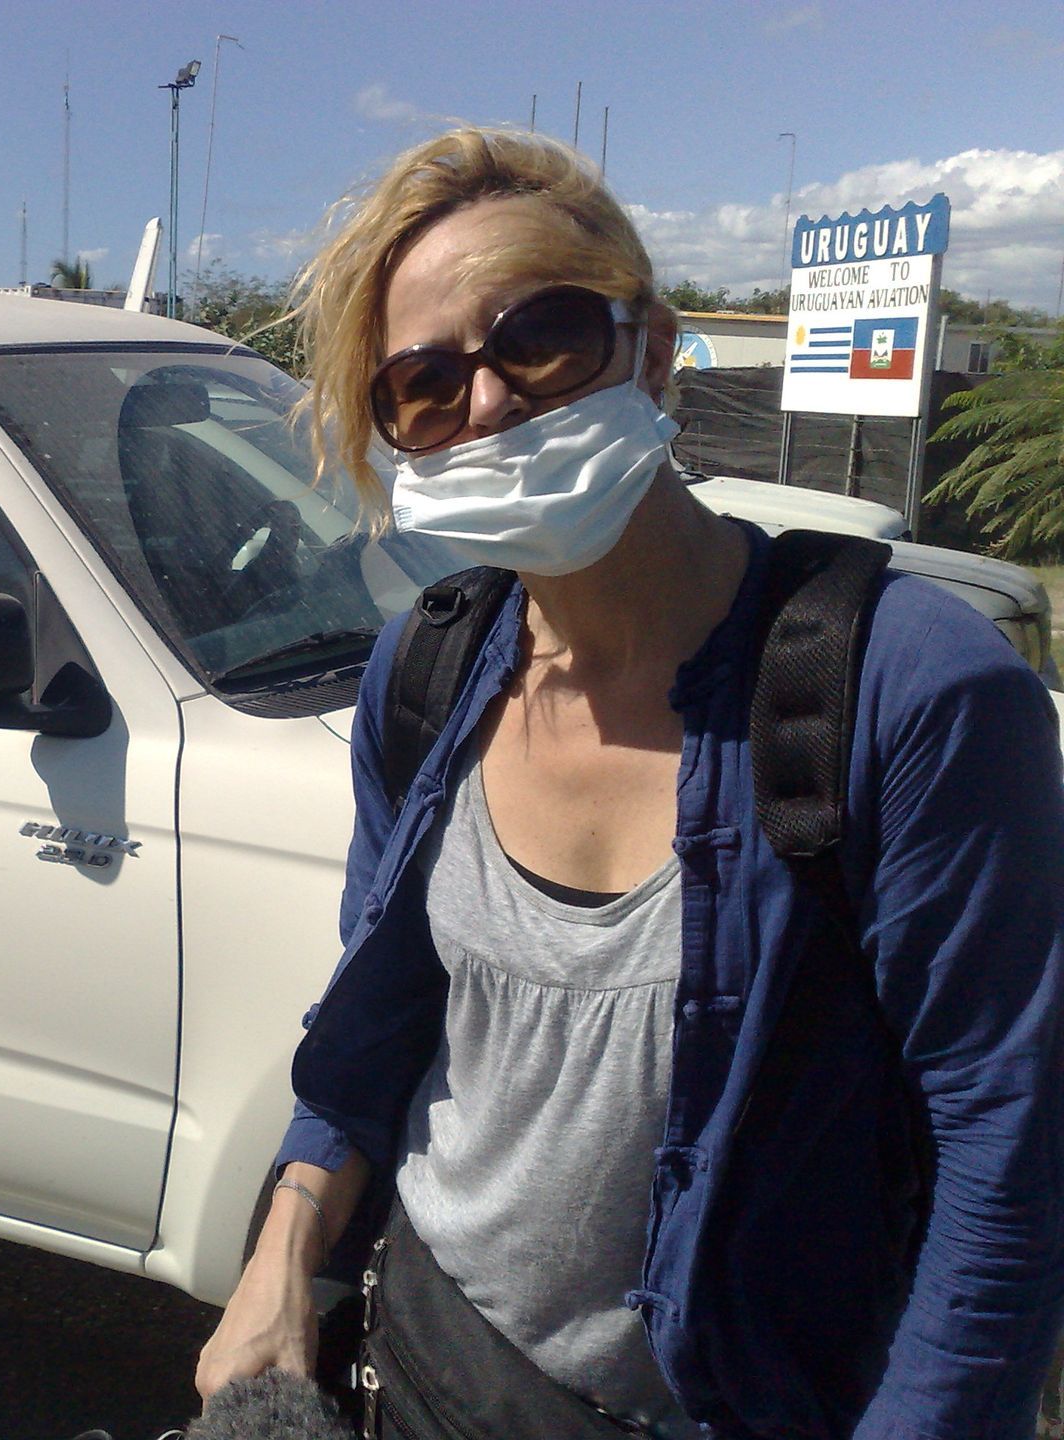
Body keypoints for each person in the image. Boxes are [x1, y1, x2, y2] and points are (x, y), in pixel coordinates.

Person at [194, 127, 1064, 1439]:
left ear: (652, 348)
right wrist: (281, 1254)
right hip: (426, 1366)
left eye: (539, 337)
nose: (489, 403)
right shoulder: (424, 673)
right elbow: (379, 1017)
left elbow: (1003, 1157)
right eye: (424, 386)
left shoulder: (910, 690)